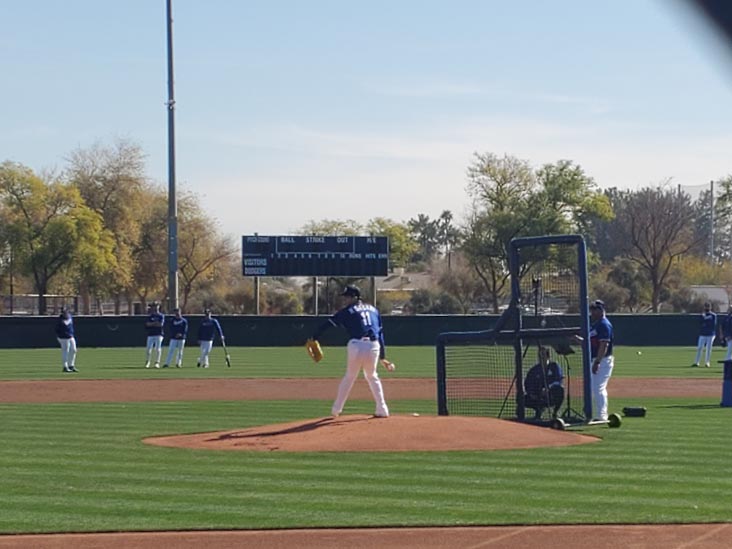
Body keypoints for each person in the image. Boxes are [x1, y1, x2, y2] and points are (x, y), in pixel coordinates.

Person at [311, 285, 393, 418]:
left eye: (347, 297)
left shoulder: (348, 311)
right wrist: (383, 356)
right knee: (372, 376)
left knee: (349, 377)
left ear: (355, 297)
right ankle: (382, 409)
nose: (345, 300)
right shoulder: (374, 310)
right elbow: (380, 333)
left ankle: (336, 409)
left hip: (357, 345)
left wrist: (315, 336)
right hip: (374, 346)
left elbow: (328, 324)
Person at [589, 299, 614, 421]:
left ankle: (602, 415)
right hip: (595, 359)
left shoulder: (604, 324)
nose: (592, 312)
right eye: (591, 309)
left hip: (603, 360)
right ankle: (594, 413)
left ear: (601, 310)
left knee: (598, 387)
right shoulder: (595, 324)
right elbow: (589, 343)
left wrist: (597, 362)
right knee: (592, 387)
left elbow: (604, 345)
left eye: (595, 309)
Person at [523, 346, 564, 420]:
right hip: (538, 395)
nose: (541, 358)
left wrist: (548, 388)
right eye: (539, 356)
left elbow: (558, 380)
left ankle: (555, 413)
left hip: (550, 394)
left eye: (543, 355)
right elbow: (527, 382)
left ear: (548, 356)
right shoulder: (534, 369)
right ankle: (537, 412)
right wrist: (531, 393)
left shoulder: (554, 366)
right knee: (520, 399)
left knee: (560, 390)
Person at [692, 302, 716, 368]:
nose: (707, 308)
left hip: (710, 334)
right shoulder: (702, 315)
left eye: (708, 306)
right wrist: (704, 318)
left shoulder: (713, 315)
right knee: (699, 348)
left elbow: (713, 324)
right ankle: (696, 362)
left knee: (708, 348)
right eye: (706, 306)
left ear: (710, 307)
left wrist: (705, 319)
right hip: (702, 334)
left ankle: (707, 362)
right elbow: (700, 323)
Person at [55, 307, 78, 373]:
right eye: (64, 312)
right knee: (65, 351)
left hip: (70, 336)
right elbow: (56, 329)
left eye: (67, 311)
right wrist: (60, 335)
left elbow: (71, 326)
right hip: (63, 337)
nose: (66, 313)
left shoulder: (70, 317)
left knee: (74, 350)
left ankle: (71, 365)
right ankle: (65, 366)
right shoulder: (60, 319)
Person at [144, 302, 165, 368]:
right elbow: (147, 324)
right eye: (154, 306)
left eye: (156, 306)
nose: (155, 307)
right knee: (148, 349)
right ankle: (148, 362)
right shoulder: (150, 316)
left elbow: (160, 324)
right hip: (151, 334)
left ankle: (157, 362)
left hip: (159, 334)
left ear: (158, 307)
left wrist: (152, 324)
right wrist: (155, 323)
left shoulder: (161, 316)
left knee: (158, 349)